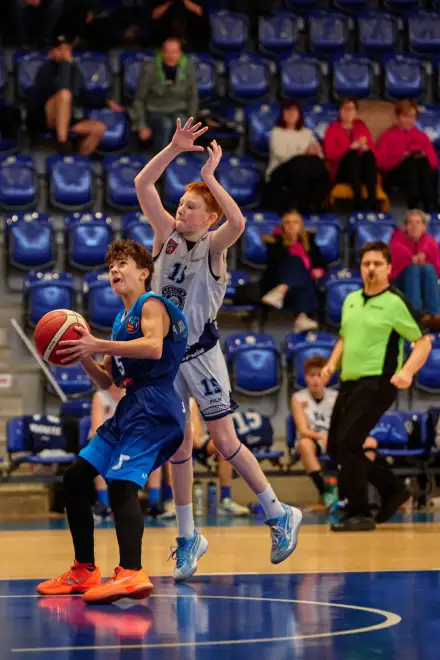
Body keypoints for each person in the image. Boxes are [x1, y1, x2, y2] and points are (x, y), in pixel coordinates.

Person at [135, 117, 302, 581]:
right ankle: (188, 537)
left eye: (191, 206)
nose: (181, 209)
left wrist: (209, 177)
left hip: (202, 354)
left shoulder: (214, 246)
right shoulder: (164, 234)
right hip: (167, 357)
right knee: (178, 445)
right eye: (181, 203)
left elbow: (240, 222)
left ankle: (278, 512)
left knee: (225, 441)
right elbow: (143, 183)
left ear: (208, 217)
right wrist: (173, 149)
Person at [36, 239, 188, 604]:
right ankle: (84, 570)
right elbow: (108, 383)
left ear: (144, 271)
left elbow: (153, 347)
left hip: (156, 405)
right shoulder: (120, 322)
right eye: (111, 267)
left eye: (122, 264)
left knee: (121, 482)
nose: (115, 270)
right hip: (131, 406)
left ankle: (131, 572)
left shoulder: (151, 304)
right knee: (75, 477)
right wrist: (82, 354)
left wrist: (98, 345)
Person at [321, 240, 432, 532]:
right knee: (335, 447)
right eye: (366, 263)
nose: (371, 268)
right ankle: (393, 488)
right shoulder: (351, 300)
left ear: (389, 268)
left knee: (350, 443)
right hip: (349, 382)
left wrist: (407, 371)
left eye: (377, 264)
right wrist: (331, 364)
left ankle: (359, 513)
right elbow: (344, 338)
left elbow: (423, 341)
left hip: (379, 382)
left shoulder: (395, 302)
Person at [291, 355, 377, 509]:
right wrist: (322, 436)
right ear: (306, 378)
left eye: (319, 375)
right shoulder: (298, 398)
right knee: (304, 444)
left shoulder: (336, 396)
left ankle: (353, 489)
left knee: (370, 442)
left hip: (336, 437)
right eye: (312, 375)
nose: (316, 380)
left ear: (326, 377)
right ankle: (326, 492)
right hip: (315, 438)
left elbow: (346, 423)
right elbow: (303, 430)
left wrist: (335, 437)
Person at [27, 36, 108, 156]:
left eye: (67, 49)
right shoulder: (46, 69)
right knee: (64, 94)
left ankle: (79, 159)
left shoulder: (73, 69)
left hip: (68, 118)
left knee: (99, 128)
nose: (65, 53)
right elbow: (61, 88)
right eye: (60, 49)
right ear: (51, 52)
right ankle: (63, 142)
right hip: (46, 118)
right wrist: (66, 65)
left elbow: (81, 94)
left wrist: (106, 102)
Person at [260, 210, 327, 332]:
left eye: (295, 222)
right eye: (287, 222)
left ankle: (281, 293)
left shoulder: (309, 242)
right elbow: (275, 267)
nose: (291, 225)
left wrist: (320, 271)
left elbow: (322, 264)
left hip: (302, 285)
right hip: (277, 281)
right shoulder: (275, 242)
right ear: (282, 226)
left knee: (303, 278)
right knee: (296, 261)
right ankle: (300, 316)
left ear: (301, 225)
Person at [133, 38, 198, 155]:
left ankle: (181, 162)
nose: (171, 56)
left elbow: (193, 98)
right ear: (162, 53)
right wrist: (141, 126)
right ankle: (160, 161)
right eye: (168, 51)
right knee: (165, 124)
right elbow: (139, 99)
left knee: (182, 124)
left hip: (178, 110)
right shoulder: (150, 69)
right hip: (155, 111)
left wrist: (191, 123)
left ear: (180, 54)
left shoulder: (188, 68)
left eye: (174, 52)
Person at [264, 101, 330, 215]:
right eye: (287, 110)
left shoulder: (307, 133)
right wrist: (304, 152)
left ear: (299, 114)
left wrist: (315, 152)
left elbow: (318, 153)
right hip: (281, 170)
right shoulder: (276, 132)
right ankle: (304, 207)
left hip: (303, 172)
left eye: (294, 111)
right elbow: (281, 154)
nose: (291, 114)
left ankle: (318, 205)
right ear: (282, 114)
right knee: (299, 163)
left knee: (318, 164)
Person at [191, 398, 251, 516]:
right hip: (176, 441)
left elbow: (197, 439)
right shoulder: (164, 396)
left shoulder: (190, 401)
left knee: (225, 446)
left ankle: (225, 501)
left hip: (194, 440)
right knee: (172, 450)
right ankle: (169, 501)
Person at [376, 100, 439, 211]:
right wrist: (400, 158)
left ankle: (429, 202)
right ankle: (415, 201)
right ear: (397, 117)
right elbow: (379, 163)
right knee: (410, 162)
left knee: (422, 161)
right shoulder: (386, 136)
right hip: (394, 173)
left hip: (419, 171)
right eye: (405, 116)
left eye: (412, 117)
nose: (408, 120)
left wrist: (424, 155)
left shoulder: (421, 136)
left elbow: (434, 163)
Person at [324, 97, 378, 211]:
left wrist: (365, 148)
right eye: (345, 109)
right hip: (342, 171)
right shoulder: (332, 129)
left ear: (356, 112)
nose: (348, 112)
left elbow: (373, 152)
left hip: (362, 169)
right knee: (352, 155)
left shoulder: (362, 127)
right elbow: (330, 154)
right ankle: (358, 199)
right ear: (339, 111)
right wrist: (349, 148)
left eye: (351, 109)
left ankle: (372, 198)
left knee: (368, 156)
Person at [390, 209, 440, 330]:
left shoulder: (431, 243)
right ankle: (414, 316)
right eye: (410, 223)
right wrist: (411, 259)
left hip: (423, 283)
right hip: (399, 283)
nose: (414, 226)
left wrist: (424, 262)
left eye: (418, 222)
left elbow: (437, 272)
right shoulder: (396, 241)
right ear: (405, 227)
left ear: (424, 227)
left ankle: (435, 316)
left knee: (428, 268)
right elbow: (392, 270)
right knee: (413, 269)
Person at [89, 383, 125, 521]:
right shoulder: (100, 397)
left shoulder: (131, 396)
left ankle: (154, 504)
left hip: (124, 444)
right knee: (100, 455)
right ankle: (103, 505)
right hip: (103, 441)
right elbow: (97, 430)